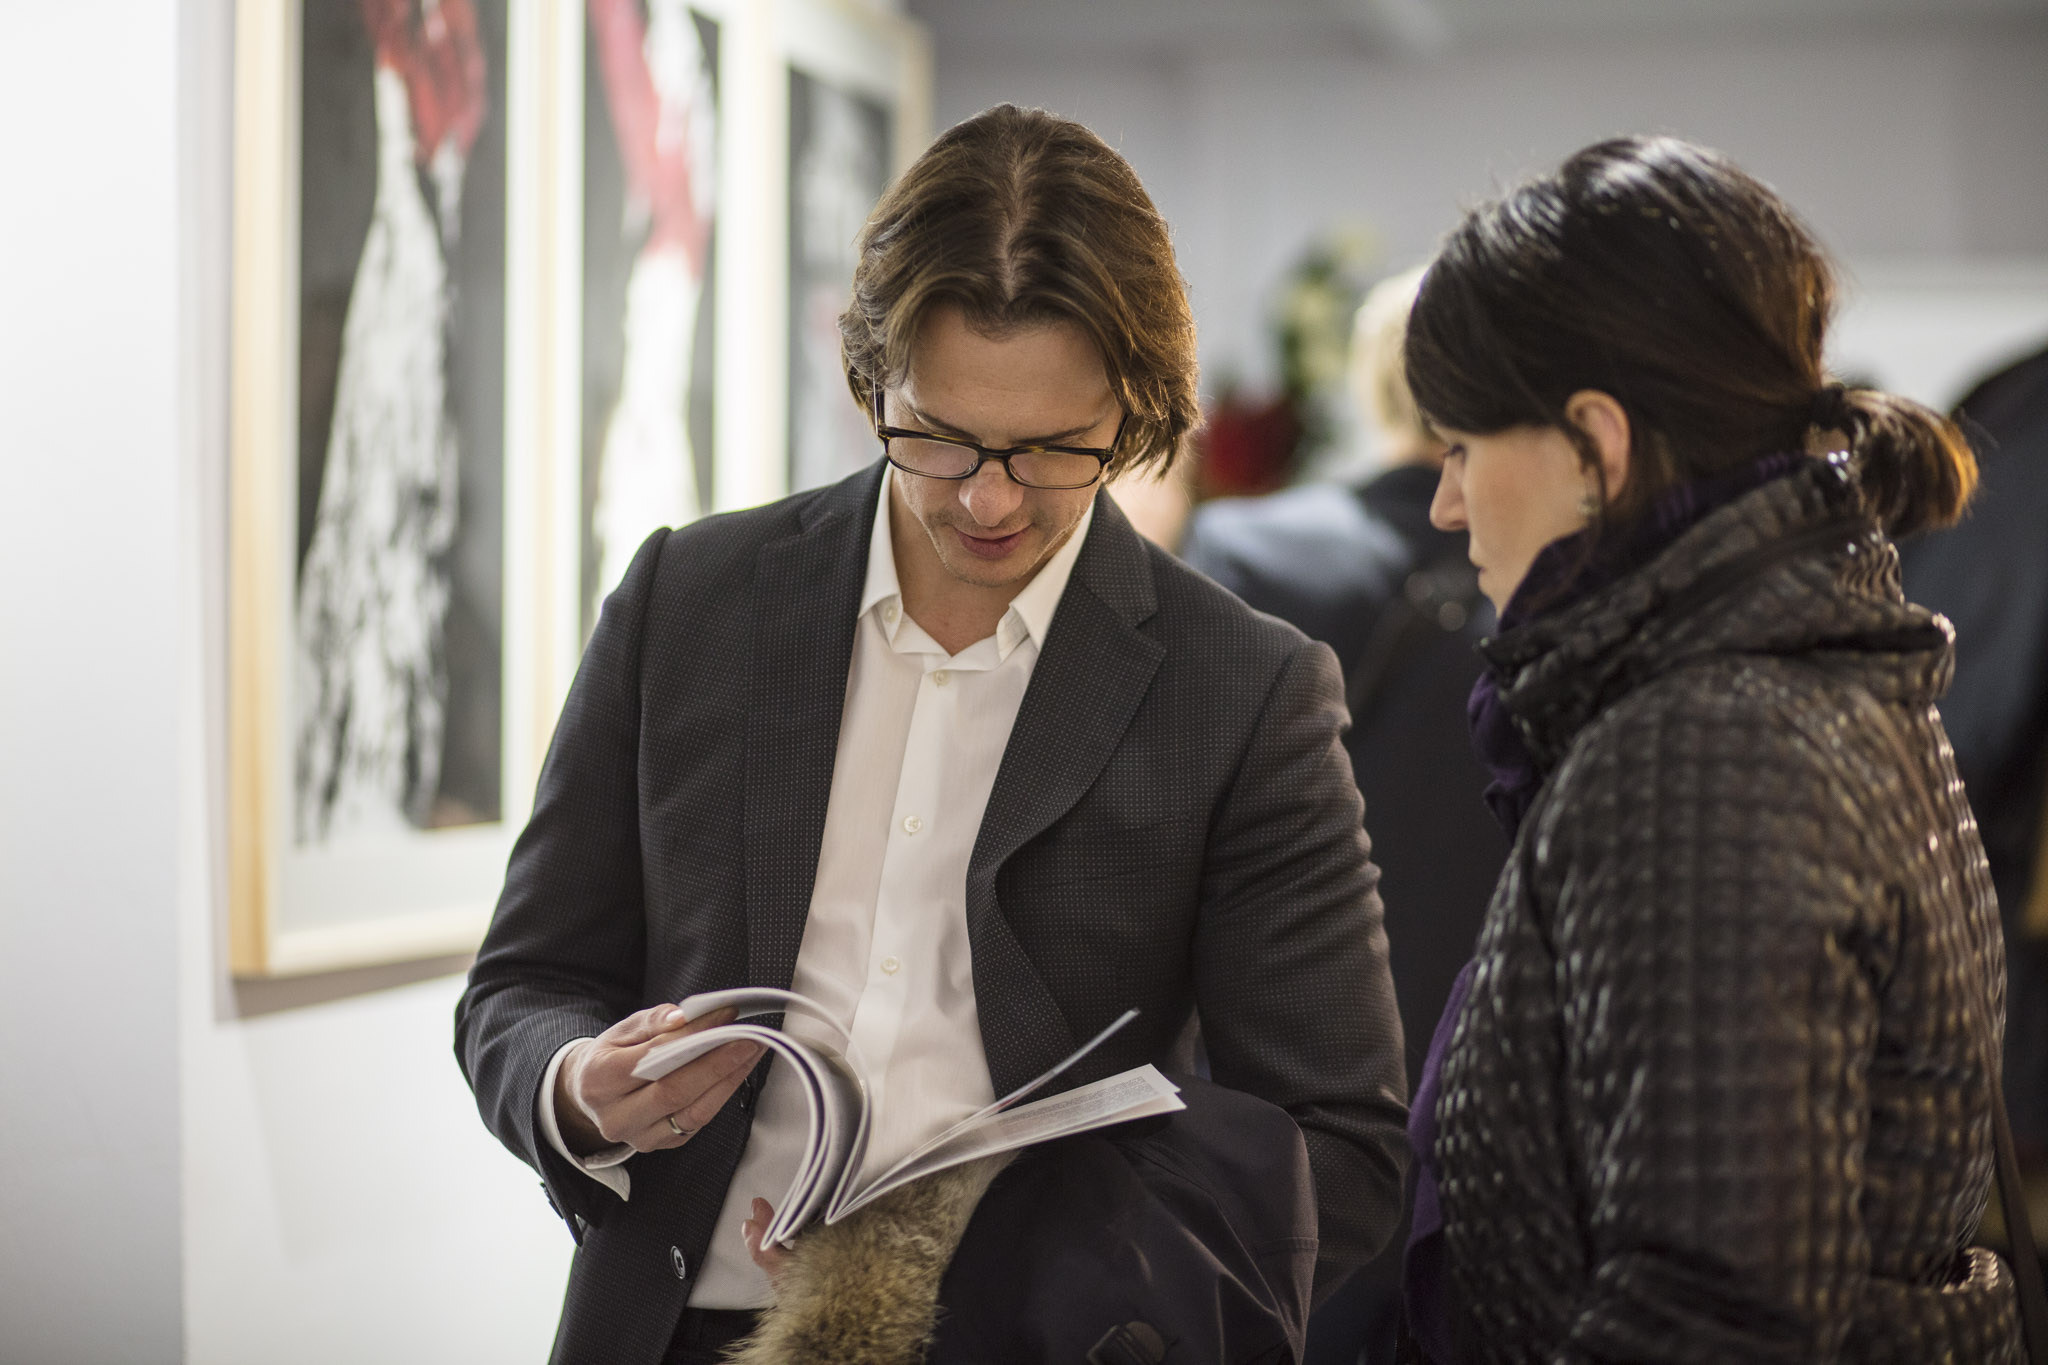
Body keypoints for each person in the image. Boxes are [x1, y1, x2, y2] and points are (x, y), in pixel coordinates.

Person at [456, 104, 1408, 1365]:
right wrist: (575, 1086)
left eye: (1053, 450)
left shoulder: (1240, 690)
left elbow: (1340, 1146)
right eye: (940, 438)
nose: (988, 499)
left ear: (1133, 413)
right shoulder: (689, 600)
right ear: (871, 383)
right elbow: (522, 986)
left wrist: (1014, 1270)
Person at [1398, 135, 2021, 1363]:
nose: (1444, 504)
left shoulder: (1701, 748)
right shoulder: (1804, 670)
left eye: (1461, 448)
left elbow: (1710, 1309)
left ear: (1595, 449)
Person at [1181, 266, 1505, 1364]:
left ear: (1371, 387)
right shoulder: (1542, 575)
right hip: (1496, 1100)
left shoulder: (1245, 555)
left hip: (1285, 1106)